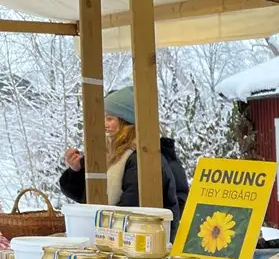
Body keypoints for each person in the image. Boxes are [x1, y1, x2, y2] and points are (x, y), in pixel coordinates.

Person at [59, 86, 189, 229]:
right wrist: (77, 171)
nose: (104, 124)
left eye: (109, 118)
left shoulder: (140, 158)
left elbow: (129, 208)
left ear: (127, 123)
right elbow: (89, 197)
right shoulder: (113, 154)